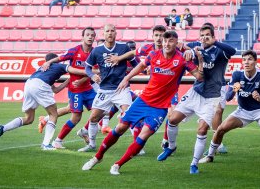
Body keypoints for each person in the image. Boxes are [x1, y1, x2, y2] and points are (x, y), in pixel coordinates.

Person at [81, 30, 204, 175]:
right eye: (165, 41)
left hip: (160, 108)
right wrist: (126, 79)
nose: (166, 43)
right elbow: (140, 66)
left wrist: (200, 60)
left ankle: (118, 164)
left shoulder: (182, 59)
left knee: (143, 136)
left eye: (170, 41)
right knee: (120, 127)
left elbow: (200, 77)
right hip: (143, 100)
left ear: (176, 43)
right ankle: (98, 156)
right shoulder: (153, 54)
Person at [199, 50, 260, 168]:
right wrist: (234, 89)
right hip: (243, 111)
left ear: (255, 61)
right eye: (244, 60)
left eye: (250, 59)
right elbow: (227, 97)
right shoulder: (237, 74)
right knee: (221, 129)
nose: (246, 62)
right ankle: (209, 156)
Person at [157, 24, 236, 174]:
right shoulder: (196, 46)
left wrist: (214, 43)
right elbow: (184, 48)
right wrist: (187, 51)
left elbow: (232, 51)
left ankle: (194, 164)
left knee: (202, 129)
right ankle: (171, 146)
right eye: (202, 35)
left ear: (213, 37)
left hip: (212, 97)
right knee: (172, 119)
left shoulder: (220, 50)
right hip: (196, 92)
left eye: (208, 35)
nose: (204, 38)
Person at [0, 53, 87, 150]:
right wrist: (90, 72)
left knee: (29, 119)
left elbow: (55, 90)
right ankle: (46, 144)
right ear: (56, 60)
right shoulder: (58, 65)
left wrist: (69, 80)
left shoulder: (42, 69)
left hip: (29, 84)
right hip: (40, 85)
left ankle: (3, 128)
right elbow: (74, 70)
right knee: (53, 114)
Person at [83, 24, 138, 153]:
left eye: (112, 31)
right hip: (104, 90)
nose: (110, 33)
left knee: (129, 115)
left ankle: (137, 146)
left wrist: (130, 74)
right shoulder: (97, 51)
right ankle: (91, 145)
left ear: (116, 33)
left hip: (121, 89)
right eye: (107, 31)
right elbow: (87, 68)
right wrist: (92, 75)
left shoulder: (123, 47)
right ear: (103, 34)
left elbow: (136, 63)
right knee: (94, 118)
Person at [38, 28, 98, 149]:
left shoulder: (95, 53)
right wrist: (49, 62)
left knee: (100, 112)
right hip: (75, 91)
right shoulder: (74, 51)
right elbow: (60, 58)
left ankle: (84, 131)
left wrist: (82, 80)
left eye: (92, 35)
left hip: (88, 88)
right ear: (82, 37)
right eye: (87, 35)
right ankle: (58, 141)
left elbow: (94, 71)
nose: (90, 37)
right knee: (76, 117)